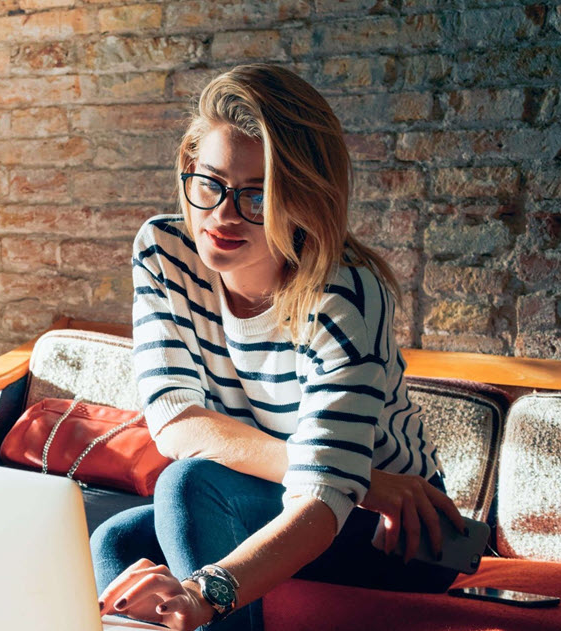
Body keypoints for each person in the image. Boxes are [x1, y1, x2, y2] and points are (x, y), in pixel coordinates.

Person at [91, 64, 468, 630]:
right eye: (210, 183)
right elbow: (174, 420)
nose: (222, 214)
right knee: (117, 542)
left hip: (404, 530)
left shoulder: (345, 295)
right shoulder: (167, 251)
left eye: (256, 195)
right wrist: (361, 481)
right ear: (189, 170)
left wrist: (205, 592)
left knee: (190, 485)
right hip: (351, 490)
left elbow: (320, 502)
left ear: (300, 198)